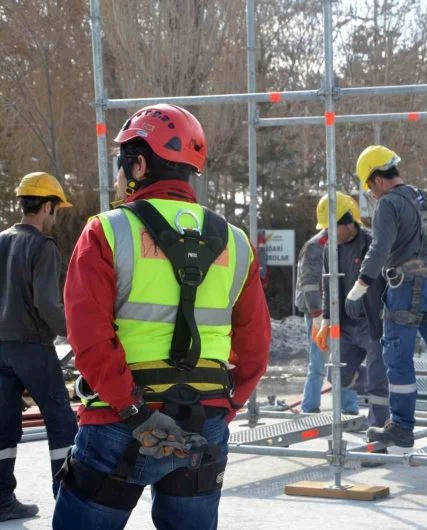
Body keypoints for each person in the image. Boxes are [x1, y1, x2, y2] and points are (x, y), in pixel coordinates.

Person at [52, 104, 270, 529]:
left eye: (121, 164)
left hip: (122, 419)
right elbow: (256, 345)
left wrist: (133, 409)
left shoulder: (107, 231)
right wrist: (224, 408)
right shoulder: (236, 242)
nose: (119, 176)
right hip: (203, 419)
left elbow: (89, 338)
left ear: (137, 164)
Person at [346, 145, 427, 448]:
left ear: (379, 179)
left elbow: (379, 248)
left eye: (369, 185)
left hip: (405, 289)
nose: (371, 192)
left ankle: (402, 426)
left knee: (398, 358)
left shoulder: (388, 204)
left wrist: (360, 287)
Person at [0, 172, 78, 521]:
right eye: (56, 209)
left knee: (2, 424)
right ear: (47, 207)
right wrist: (76, 332)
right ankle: (67, 501)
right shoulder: (43, 246)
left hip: (0, 349)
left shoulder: (1, 240)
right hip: (33, 346)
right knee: (61, 420)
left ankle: (2, 500)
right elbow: (48, 304)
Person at [314, 193, 389, 440]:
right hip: (345, 325)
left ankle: (377, 433)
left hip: (372, 322)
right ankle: (375, 379)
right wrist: (326, 319)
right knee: (337, 375)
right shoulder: (329, 249)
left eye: (331, 226)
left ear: (349, 222)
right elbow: (328, 285)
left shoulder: (372, 243)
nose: (328, 232)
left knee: (377, 382)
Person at [295, 201, 361, 415]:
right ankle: (310, 407)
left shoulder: (347, 243)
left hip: (341, 310)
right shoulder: (316, 246)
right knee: (318, 363)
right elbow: (309, 284)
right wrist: (317, 315)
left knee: (345, 361)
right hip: (318, 311)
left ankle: (348, 408)